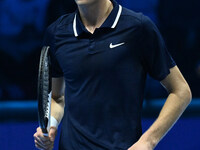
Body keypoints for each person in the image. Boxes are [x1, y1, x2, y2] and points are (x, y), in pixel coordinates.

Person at [33, 0, 192, 149]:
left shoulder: (138, 28)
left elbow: (181, 91)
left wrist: (149, 140)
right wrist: (51, 125)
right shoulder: (56, 33)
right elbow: (57, 97)